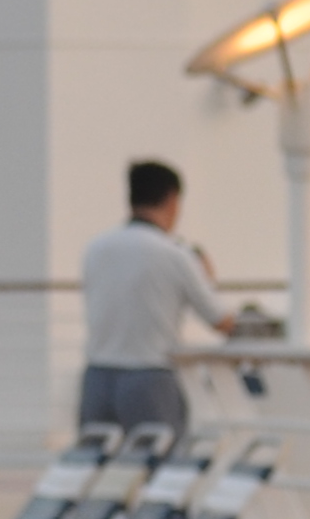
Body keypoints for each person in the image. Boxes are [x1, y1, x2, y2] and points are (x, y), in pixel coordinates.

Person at [78, 159, 229, 440]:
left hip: (97, 377)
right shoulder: (174, 254)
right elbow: (220, 320)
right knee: (160, 472)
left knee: (96, 471)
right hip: (149, 377)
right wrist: (207, 279)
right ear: (172, 199)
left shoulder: (96, 248)